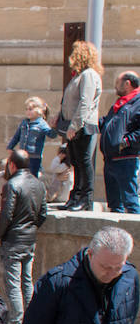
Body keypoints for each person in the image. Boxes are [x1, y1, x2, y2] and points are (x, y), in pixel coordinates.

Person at [0, 150, 47, 324]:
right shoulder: (38, 184)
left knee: (14, 284)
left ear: (12, 165)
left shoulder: (12, 185)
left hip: (14, 240)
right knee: (26, 281)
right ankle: (30, 321)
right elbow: (43, 214)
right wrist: (30, 227)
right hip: (29, 239)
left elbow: (6, 215)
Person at [59, 40, 104, 211]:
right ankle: (76, 196)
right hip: (75, 125)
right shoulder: (79, 75)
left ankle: (86, 198)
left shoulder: (89, 75)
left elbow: (86, 101)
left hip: (84, 126)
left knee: (84, 161)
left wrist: (75, 125)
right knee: (76, 161)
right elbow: (70, 101)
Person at [99, 70, 140, 214]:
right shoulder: (121, 103)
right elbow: (109, 123)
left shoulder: (137, 102)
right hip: (110, 158)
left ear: (127, 83)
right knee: (115, 204)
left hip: (126, 158)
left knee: (130, 201)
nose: (115, 87)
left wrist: (125, 142)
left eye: (117, 83)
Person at [7, 96, 58, 177]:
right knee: (21, 175)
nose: (28, 112)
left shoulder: (41, 124)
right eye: (26, 109)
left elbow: (51, 134)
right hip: (23, 156)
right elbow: (16, 136)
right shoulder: (24, 122)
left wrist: (54, 127)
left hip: (34, 157)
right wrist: (10, 147)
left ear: (39, 110)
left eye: (30, 109)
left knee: (32, 176)